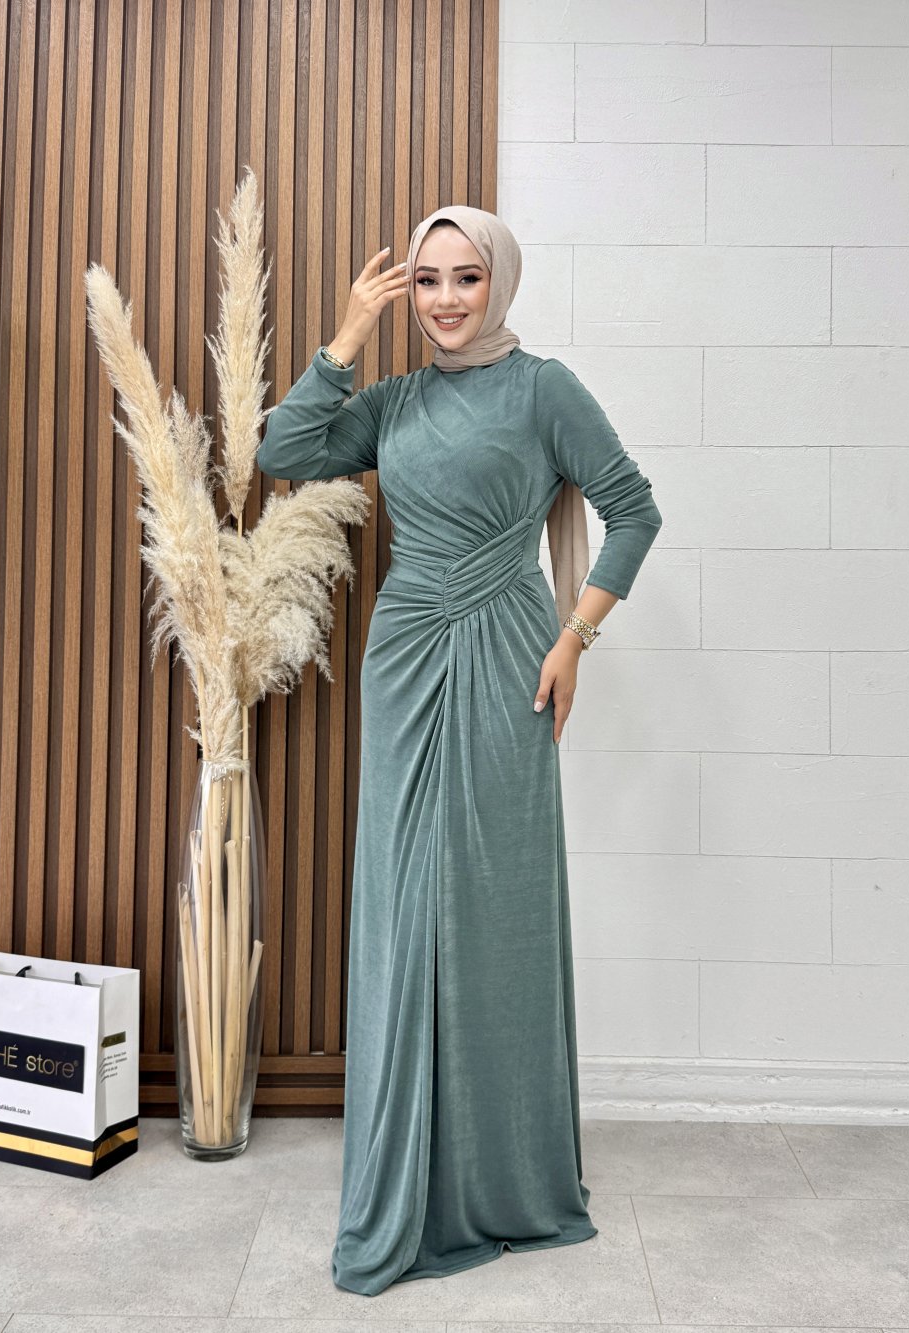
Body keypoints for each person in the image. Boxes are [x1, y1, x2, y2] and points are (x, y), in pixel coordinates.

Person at [256, 204, 663, 1296]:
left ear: (500, 283)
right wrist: (347, 334)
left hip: (509, 655)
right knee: (404, 897)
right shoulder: (392, 401)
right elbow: (281, 451)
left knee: (493, 898)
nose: (443, 299)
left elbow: (633, 511)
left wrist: (575, 637)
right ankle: (410, 1160)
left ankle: (499, 1172)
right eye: (427, 279)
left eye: (466, 278)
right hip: (404, 656)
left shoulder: (543, 390)